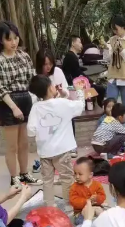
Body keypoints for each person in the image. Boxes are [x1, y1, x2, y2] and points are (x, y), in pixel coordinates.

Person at [0, 21, 41, 187]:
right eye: (9, 39)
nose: (13, 42)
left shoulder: (24, 56)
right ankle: (14, 177)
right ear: (0, 40)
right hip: (8, 102)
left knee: (24, 143)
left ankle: (25, 173)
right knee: (12, 146)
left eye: (16, 38)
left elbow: (32, 79)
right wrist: (14, 107)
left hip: (26, 98)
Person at [27, 75, 84, 206]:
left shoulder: (36, 107)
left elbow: (30, 130)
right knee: (67, 178)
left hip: (45, 152)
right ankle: (70, 206)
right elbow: (80, 106)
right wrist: (80, 91)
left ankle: (49, 206)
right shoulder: (62, 103)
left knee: (47, 180)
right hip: (62, 150)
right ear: (49, 88)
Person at [104, 16, 125, 117]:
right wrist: (106, 49)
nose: (114, 31)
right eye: (113, 29)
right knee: (110, 104)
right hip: (112, 77)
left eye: (116, 29)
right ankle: (110, 124)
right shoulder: (111, 40)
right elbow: (107, 59)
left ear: (124, 27)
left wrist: (121, 50)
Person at [69, 157, 107, 224]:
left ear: (90, 175)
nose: (77, 177)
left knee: (105, 216)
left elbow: (103, 196)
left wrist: (97, 198)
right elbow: (73, 201)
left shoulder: (97, 185)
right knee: (80, 221)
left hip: (96, 208)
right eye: (75, 173)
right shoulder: (74, 187)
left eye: (80, 174)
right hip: (81, 212)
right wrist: (87, 201)